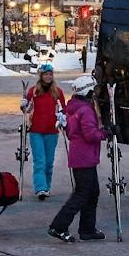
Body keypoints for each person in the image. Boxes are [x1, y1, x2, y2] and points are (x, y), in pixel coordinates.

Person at [48, 75, 108, 243]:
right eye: (94, 90)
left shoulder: (73, 107)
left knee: (92, 192)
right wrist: (106, 133)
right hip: (84, 157)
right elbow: (90, 134)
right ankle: (58, 226)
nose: (95, 93)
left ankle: (87, 229)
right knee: (82, 194)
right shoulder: (86, 110)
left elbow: (71, 131)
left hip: (82, 156)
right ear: (88, 92)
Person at [21, 63, 67, 200]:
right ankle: (40, 188)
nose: (48, 77)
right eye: (46, 74)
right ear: (41, 76)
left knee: (49, 162)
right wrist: (23, 105)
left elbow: (63, 109)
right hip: (36, 131)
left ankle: (46, 186)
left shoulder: (57, 92)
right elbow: (27, 109)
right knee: (39, 161)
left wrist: (62, 117)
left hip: (52, 131)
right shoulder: (34, 91)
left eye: (50, 74)